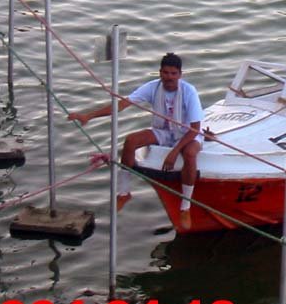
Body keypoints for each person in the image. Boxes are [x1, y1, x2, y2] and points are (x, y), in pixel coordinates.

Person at [68, 52, 204, 229]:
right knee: (130, 141)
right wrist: (88, 115)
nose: (169, 77)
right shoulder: (152, 87)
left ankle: (185, 207)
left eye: (173, 74)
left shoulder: (189, 92)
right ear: (160, 72)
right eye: (165, 73)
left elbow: (195, 127)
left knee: (190, 153)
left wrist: (174, 151)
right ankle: (124, 193)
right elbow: (122, 104)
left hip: (187, 133)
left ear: (180, 74)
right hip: (163, 131)